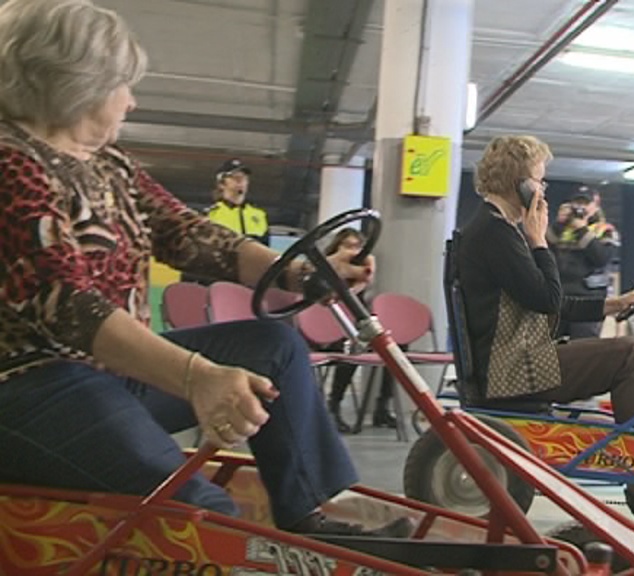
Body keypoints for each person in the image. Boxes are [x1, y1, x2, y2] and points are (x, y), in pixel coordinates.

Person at [0, 0, 408, 540]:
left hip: (103, 376)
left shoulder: (107, 162)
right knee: (200, 512)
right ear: (76, 82)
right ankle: (232, 543)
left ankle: (311, 518)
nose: (130, 101)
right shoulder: (11, 163)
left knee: (277, 346)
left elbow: (187, 235)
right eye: (121, 84)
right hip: (28, 389)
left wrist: (304, 273)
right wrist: (198, 377)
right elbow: (71, 309)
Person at [458, 134, 634, 518]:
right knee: (628, 354)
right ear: (521, 183)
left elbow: (549, 303)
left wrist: (613, 304)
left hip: (511, 362)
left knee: (627, 352)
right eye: (540, 179)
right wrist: (538, 241)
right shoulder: (499, 235)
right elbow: (550, 300)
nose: (544, 190)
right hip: (512, 371)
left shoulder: (492, 228)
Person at [321, 229, 397, 432]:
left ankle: (383, 406)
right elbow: (334, 297)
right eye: (347, 245)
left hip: (353, 324)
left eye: (357, 246)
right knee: (353, 347)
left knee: (394, 348)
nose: (353, 251)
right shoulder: (325, 269)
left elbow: (358, 293)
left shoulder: (362, 269)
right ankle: (333, 406)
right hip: (327, 324)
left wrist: (361, 278)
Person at [551, 188, 617, 340]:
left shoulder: (605, 230)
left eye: (585, 203)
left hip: (589, 299)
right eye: (577, 202)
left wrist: (581, 229)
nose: (580, 207)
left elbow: (601, 258)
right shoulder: (561, 229)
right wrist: (558, 224)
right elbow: (544, 250)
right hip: (561, 297)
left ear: (595, 206)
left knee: (584, 348)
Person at [207, 158, 270, 246]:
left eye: (244, 177)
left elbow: (266, 251)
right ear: (221, 184)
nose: (240, 181)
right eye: (235, 177)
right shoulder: (210, 215)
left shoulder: (259, 215)